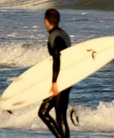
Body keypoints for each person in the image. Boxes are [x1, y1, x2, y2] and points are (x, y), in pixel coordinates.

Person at [38, 8, 72, 138]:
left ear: (46, 21)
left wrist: (54, 82)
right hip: (66, 78)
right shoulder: (63, 34)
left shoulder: (55, 36)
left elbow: (57, 57)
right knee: (47, 113)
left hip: (61, 80)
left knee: (57, 116)